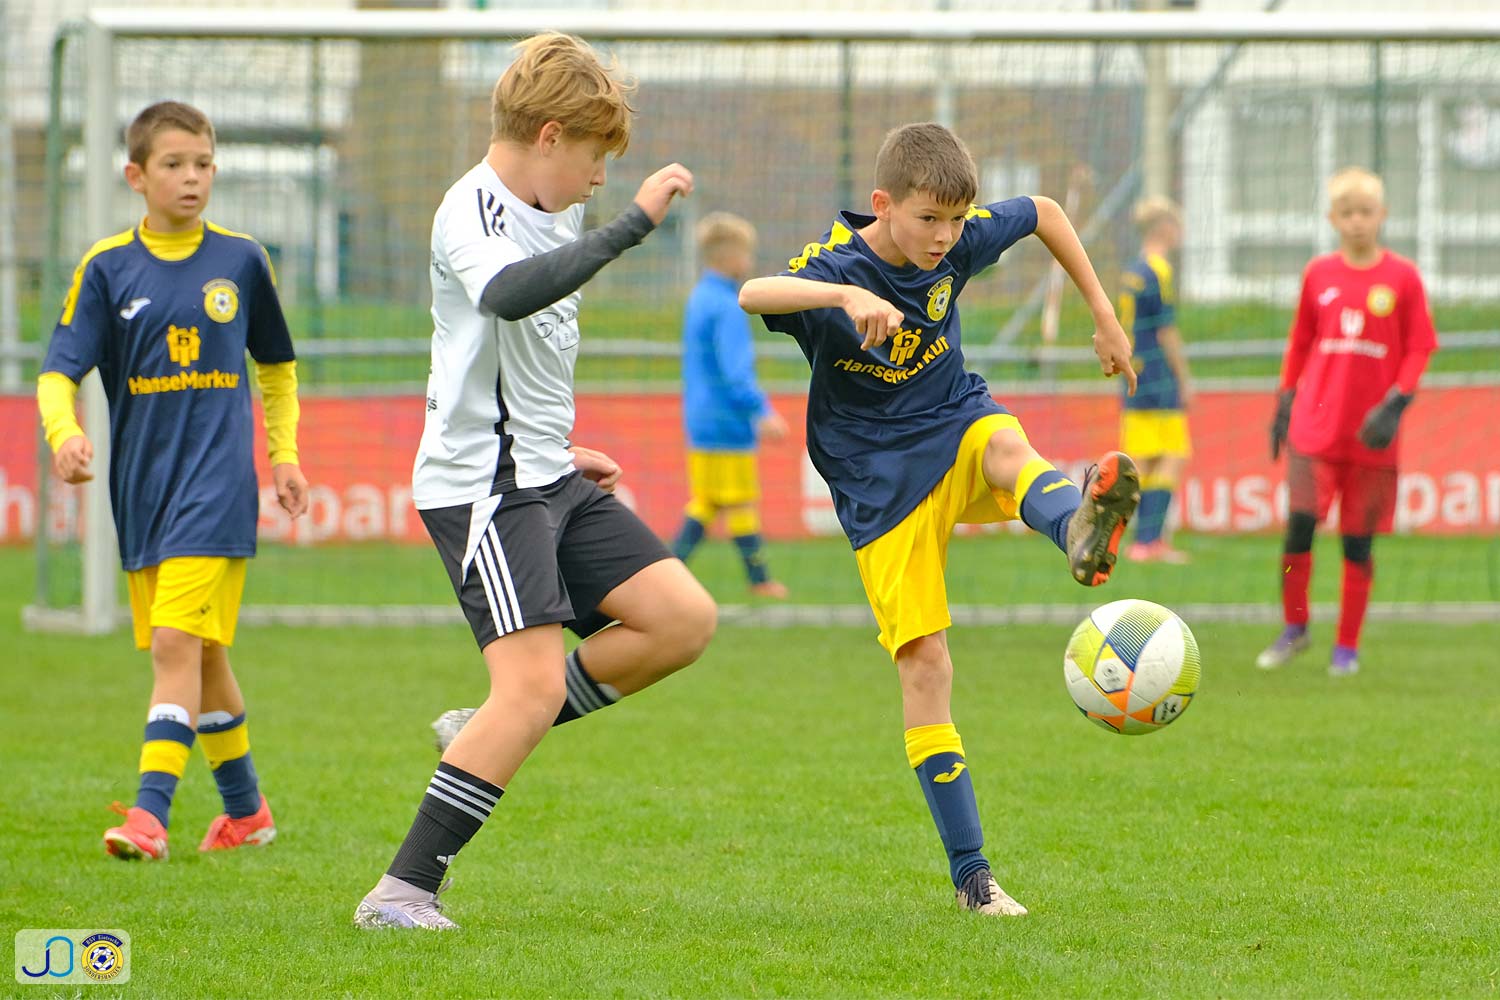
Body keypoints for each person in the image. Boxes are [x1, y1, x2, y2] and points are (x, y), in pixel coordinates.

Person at [353, 32, 717, 930]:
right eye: (595, 156)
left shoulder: (553, 207)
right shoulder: (469, 210)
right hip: (485, 485)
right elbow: (509, 295)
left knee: (681, 619)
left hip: (544, 469)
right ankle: (401, 892)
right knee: (530, 686)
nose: (600, 179)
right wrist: (632, 225)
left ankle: (486, 730)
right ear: (549, 136)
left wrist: (560, 442)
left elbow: (521, 350)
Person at [738, 122, 1140, 917]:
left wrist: (1103, 314)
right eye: (929, 220)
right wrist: (843, 296)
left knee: (1004, 445)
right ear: (883, 204)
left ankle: (1077, 528)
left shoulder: (954, 237)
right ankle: (973, 877)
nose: (945, 238)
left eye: (957, 222)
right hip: (878, 481)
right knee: (926, 668)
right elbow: (754, 292)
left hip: (952, 421)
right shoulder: (838, 265)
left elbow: (1047, 211)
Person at [36, 100, 308, 861]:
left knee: (174, 645)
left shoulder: (242, 261)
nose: (193, 178)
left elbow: (277, 369)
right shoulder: (106, 268)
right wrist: (65, 434)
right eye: (174, 164)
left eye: (204, 164)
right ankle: (246, 812)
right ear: (136, 176)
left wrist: (283, 455)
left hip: (217, 491)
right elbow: (57, 373)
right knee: (204, 656)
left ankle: (149, 816)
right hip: (142, 494)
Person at [1258, 167, 1437, 677]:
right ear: (1332, 219)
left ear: (1382, 215)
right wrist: (1285, 400)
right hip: (1314, 429)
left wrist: (1397, 401)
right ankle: (1295, 627)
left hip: (1371, 436)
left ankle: (1346, 647)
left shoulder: (1403, 277)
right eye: (1347, 212)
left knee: (1358, 543)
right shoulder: (1318, 274)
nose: (1357, 221)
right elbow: (1300, 342)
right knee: (1298, 531)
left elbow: (1420, 346)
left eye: (1366, 212)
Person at [670, 211, 791, 598]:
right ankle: (760, 581)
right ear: (732, 256)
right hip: (727, 420)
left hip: (700, 416)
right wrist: (761, 411)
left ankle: (671, 570)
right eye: (747, 253)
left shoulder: (699, 297)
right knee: (738, 501)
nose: (750, 261)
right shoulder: (727, 305)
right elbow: (736, 371)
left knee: (708, 500)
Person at [1118, 197, 1192, 564]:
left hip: (1134, 369)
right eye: (1177, 225)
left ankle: (1141, 542)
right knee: (1173, 455)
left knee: (1145, 459)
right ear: (1163, 228)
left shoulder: (1132, 269)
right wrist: (1185, 377)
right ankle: (1150, 542)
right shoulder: (1159, 269)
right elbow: (1166, 330)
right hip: (1157, 373)